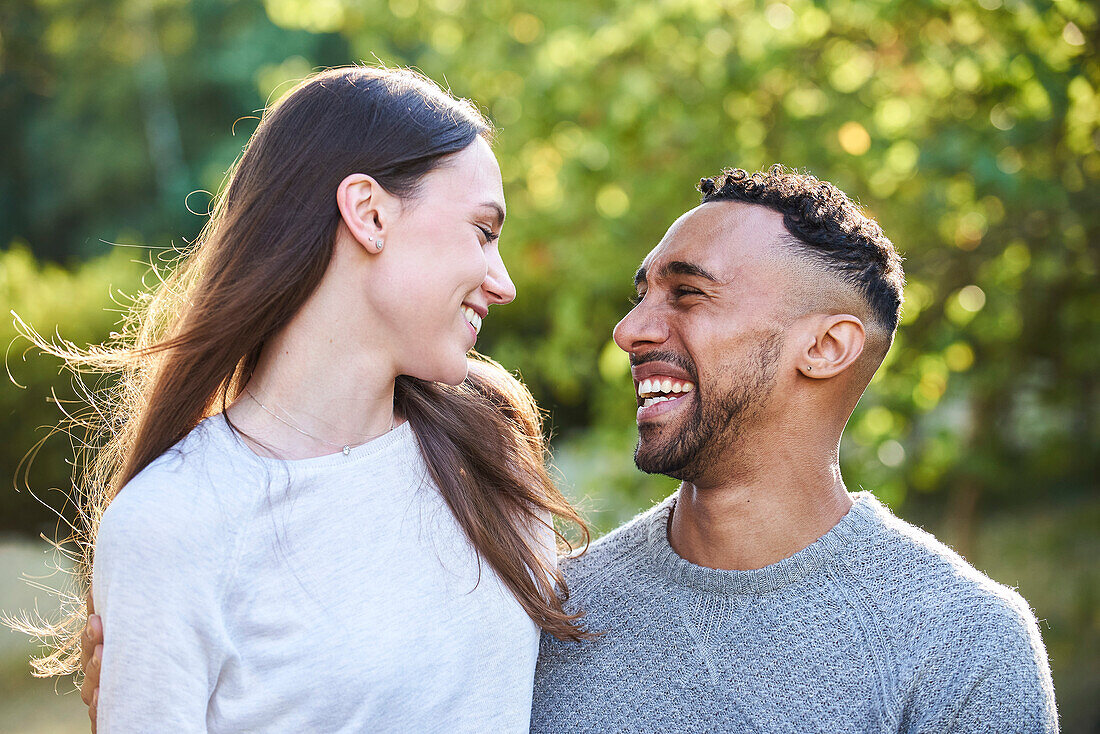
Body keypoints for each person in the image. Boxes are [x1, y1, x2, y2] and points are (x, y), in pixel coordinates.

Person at [29, 65, 589, 732]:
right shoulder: (172, 524)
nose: (503, 283)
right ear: (368, 213)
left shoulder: (488, 446)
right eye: (483, 231)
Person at [530, 167, 1059, 732]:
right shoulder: (553, 613)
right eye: (642, 297)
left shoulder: (962, 644)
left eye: (687, 293)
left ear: (826, 347)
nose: (629, 330)